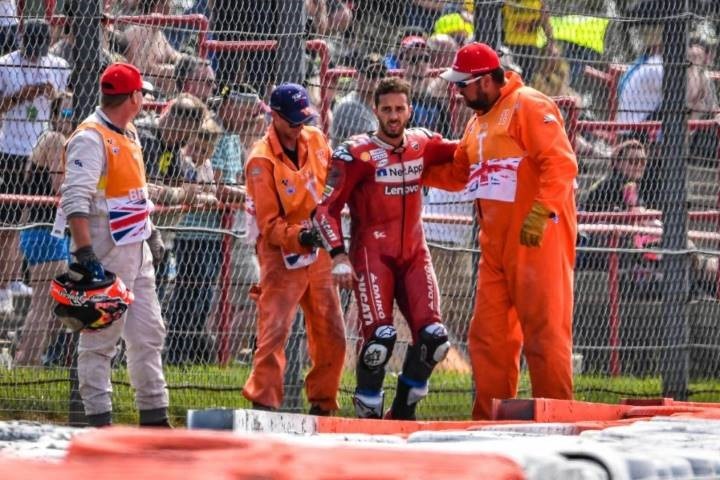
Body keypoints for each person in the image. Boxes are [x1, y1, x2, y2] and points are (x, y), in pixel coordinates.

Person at [313, 77, 467, 420]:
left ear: (410, 109)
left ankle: (403, 411)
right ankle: (368, 412)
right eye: (387, 110)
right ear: (375, 111)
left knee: (435, 338)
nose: (394, 116)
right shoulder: (355, 153)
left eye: (399, 109)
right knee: (379, 340)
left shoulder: (423, 143)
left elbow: (466, 149)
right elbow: (324, 209)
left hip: (415, 254)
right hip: (372, 256)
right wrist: (338, 254)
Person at [440, 42, 578, 420]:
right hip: (495, 248)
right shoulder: (477, 121)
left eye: (463, 84)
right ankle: (490, 420)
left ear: (485, 81)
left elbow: (561, 164)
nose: (458, 91)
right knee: (488, 337)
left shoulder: (529, 105)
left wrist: (541, 213)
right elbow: (457, 173)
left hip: (537, 239)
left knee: (544, 334)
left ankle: (559, 417)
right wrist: (412, 156)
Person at [58, 62, 170, 427]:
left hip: (136, 245)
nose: (145, 100)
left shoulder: (129, 132)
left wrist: (152, 234)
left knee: (149, 333)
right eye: (143, 93)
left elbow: (136, 194)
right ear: (134, 97)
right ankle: (99, 423)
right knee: (100, 338)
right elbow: (75, 200)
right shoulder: (90, 137)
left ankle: (154, 418)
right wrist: (85, 253)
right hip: (105, 247)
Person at [241, 83, 346, 414]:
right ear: (274, 116)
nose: (298, 126)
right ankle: (264, 406)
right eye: (292, 120)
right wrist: (301, 237)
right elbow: (269, 225)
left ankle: (323, 406)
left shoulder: (315, 139)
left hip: (318, 251)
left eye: (303, 119)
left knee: (332, 332)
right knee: (274, 331)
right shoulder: (261, 161)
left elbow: (333, 177)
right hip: (281, 253)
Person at [0, 18, 69, 313]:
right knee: (8, 219)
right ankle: (3, 283)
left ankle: (15, 276)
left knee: (33, 214)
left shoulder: (58, 64)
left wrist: (56, 97)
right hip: (11, 147)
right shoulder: (6, 64)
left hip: (43, 149)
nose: (34, 54)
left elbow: (66, 104)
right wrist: (19, 96)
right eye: (30, 47)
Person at [13, 92, 74, 366]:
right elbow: (60, 188)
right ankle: (27, 361)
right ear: (54, 115)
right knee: (43, 303)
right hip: (44, 230)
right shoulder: (55, 139)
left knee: (53, 304)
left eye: (74, 115)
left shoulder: (60, 141)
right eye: (65, 114)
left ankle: (31, 358)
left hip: (50, 229)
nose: (69, 121)